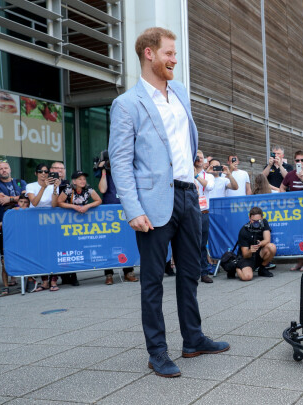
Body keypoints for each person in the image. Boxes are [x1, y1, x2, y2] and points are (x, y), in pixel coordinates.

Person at [108, 27, 229, 378]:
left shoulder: (179, 92)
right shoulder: (127, 104)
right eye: (169, 53)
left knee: (191, 272)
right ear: (149, 53)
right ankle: (157, 351)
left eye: (175, 54)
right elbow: (121, 162)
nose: (175, 59)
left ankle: (192, 339)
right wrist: (133, 209)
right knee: (152, 281)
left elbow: (186, 142)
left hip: (188, 194)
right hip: (152, 201)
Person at [96, 153, 139, 285]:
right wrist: (104, 171)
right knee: (109, 242)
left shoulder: (126, 172)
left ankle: (128, 272)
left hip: (124, 208)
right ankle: (108, 274)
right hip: (109, 211)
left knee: (125, 240)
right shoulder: (106, 173)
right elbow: (102, 189)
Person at [25, 163, 61, 291]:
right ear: (36, 173)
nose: (44, 174)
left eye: (46, 172)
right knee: (40, 251)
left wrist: (55, 189)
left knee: (52, 249)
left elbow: (54, 205)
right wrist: (43, 187)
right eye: (40, 171)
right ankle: (44, 281)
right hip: (35, 221)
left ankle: (53, 280)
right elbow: (34, 202)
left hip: (50, 221)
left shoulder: (52, 186)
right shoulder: (31, 186)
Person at [0, 159, 27, 294]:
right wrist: (17, 198)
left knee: (21, 250)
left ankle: (20, 278)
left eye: (5, 168)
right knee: (5, 253)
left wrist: (9, 198)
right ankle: (6, 285)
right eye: (0, 169)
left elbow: (25, 197)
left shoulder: (20, 182)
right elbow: (0, 200)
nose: (4, 170)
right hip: (3, 222)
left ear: (10, 169)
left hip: (21, 222)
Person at [280, 150, 303, 271]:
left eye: (302, 160)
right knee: (295, 236)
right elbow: (282, 188)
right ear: (294, 161)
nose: (300, 162)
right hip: (293, 212)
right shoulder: (290, 174)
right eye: (297, 160)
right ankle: (299, 261)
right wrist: (285, 201)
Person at [232, 207, 276, 280]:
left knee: (272, 247)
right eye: (253, 221)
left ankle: (262, 268)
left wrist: (260, 244)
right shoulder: (244, 230)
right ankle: (237, 268)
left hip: (259, 254)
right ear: (249, 218)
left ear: (262, 218)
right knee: (247, 277)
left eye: (258, 220)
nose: (256, 223)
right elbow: (245, 254)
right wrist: (250, 250)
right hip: (247, 258)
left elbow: (267, 240)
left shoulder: (264, 222)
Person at [193, 150, 215, 283]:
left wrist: (196, 177)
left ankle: (203, 272)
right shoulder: (186, 174)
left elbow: (210, 187)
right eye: (196, 157)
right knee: (188, 244)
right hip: (189, 213)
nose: (199, 160)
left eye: (201, 158)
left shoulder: (208, 176)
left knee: (202, 244)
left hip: (203, 213)